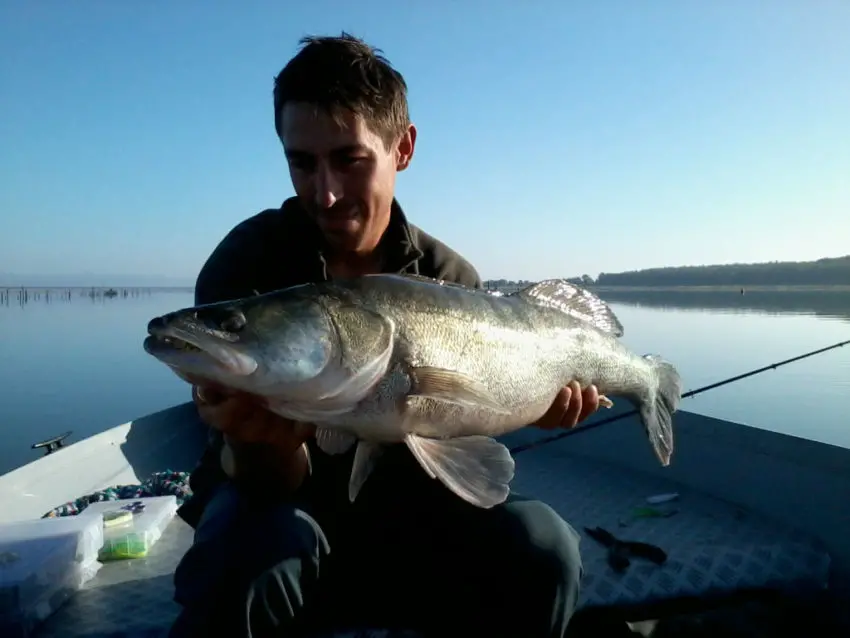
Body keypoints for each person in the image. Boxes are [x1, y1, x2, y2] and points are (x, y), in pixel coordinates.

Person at [170, 33, 602, 638]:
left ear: (403, 148)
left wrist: (537, 405)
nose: (324, 192)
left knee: (544, 545)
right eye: (302, 162)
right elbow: (265, 485)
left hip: (414, 520)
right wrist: (259, 444)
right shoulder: (244, 267)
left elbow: (467, 460)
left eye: (349, 160)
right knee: (253, 548)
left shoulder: (452, 280)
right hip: (279, 511)